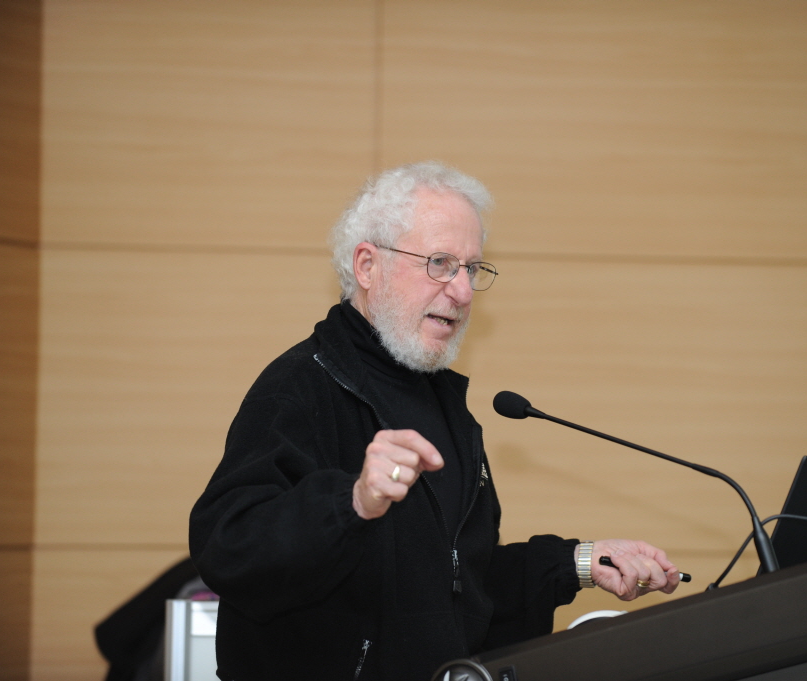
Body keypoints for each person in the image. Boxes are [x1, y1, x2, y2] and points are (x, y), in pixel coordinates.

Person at [189, 162, 681, 681]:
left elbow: (458, 586)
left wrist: (578, 562)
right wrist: (351, 501)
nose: (463, 292)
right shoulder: (299, 386)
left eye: (471, 269)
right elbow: (229, 546)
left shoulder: (445, 405)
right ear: (367, 266)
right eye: (440, 263)